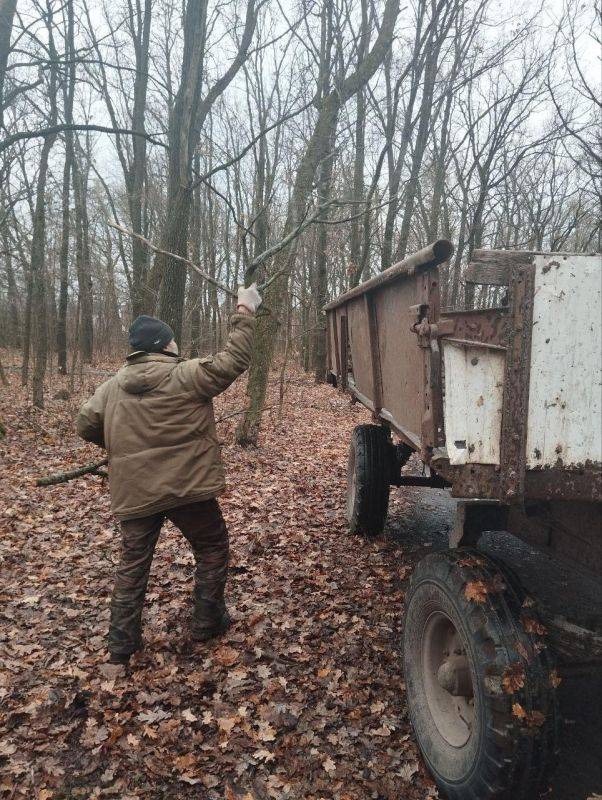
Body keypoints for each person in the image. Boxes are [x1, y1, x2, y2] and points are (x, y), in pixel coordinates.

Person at [76, 284, 262, 665]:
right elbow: (234, 359)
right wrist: (244, 309)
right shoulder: (186, 375)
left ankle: (121, 648)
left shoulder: (112, 388)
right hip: (186, 489)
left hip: (136, 493)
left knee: (132, 567)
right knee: (211, 549)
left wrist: (119, 449)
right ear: (164, 346)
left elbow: (86, 425)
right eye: (172, 340)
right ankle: (206, 624)